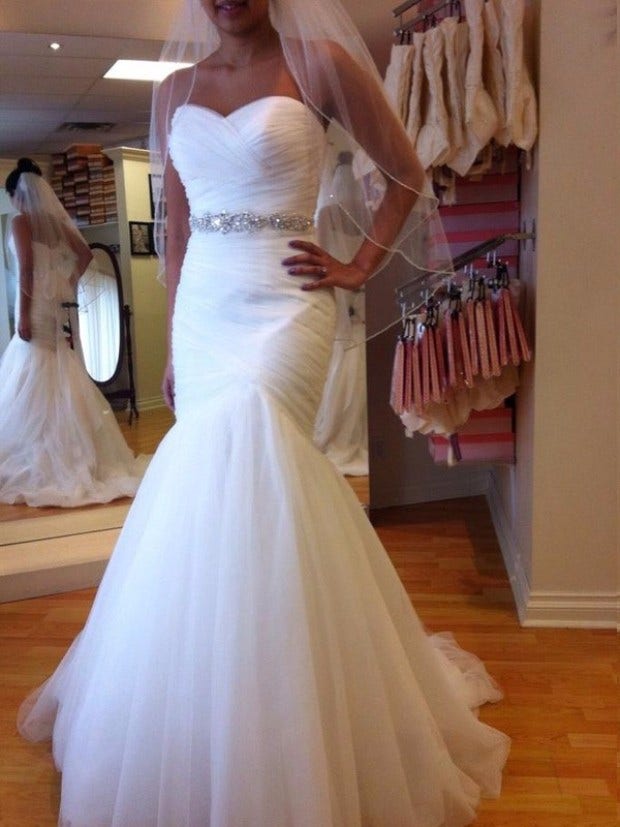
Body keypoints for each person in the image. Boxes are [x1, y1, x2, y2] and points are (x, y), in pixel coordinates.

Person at [18, 2, 510, 825]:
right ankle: (217, 713)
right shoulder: (174, 90)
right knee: (210, 492)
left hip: (288, 301)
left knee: (263, 461)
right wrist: (174, 345)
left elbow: (405, 172)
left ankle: (290, 722)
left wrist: (358, 264)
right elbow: (177, 228)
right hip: (207, 308)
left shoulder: (321, 63)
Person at [0, 158, 146, 507]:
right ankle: (68, 447)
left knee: (33, 371)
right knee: (52, 369)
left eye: (11, 196)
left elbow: (27, 270)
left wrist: (23, 315)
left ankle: (45, 451)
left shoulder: (20, 222)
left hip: (36, 307)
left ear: (17, 194)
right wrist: (65, 283)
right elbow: (85, 255)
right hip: (52, 306)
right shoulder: (54, 223)